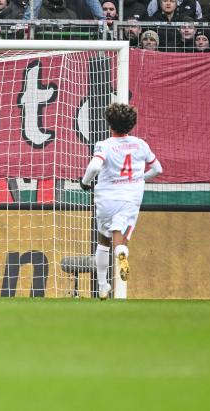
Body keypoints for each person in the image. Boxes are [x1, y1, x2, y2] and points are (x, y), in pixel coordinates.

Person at [79, 103, 162, 300]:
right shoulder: (141, 145)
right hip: (130, 199)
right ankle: (122, 252)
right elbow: (158, 169)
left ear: (110, 124)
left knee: (103, 240)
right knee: (121, 241)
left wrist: (84, 182)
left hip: (106, 198)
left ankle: (102, 286)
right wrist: (140, 178)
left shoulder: (105, 145)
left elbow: (94, 167)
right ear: (131, 124)